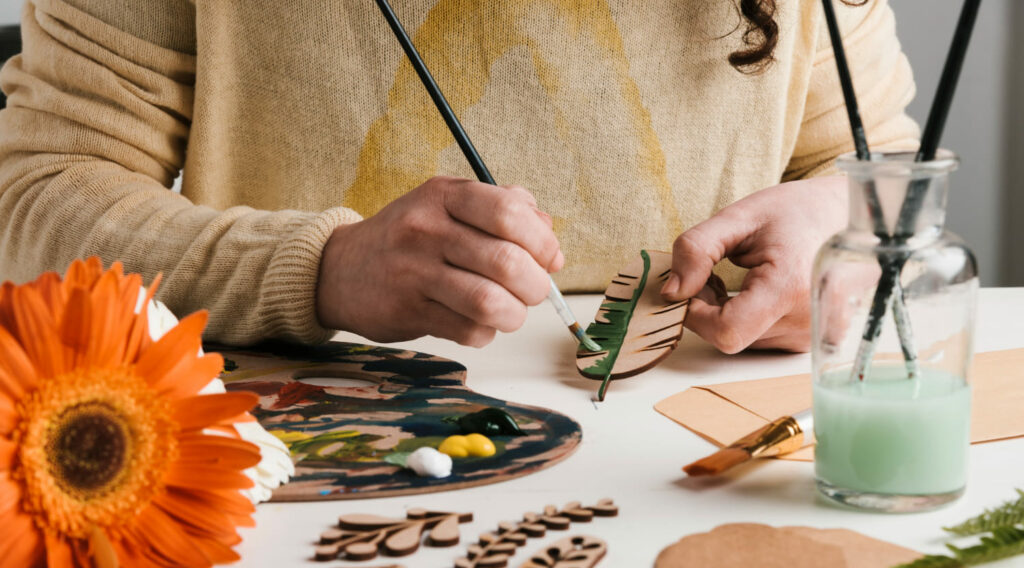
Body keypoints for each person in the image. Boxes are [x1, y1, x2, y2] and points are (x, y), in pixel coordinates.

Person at [0, 0, 917, 352]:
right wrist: (323, 269)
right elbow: (36, 199)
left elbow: (890, 172)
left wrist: (847, 234)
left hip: (708, 476)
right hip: (310, 477)